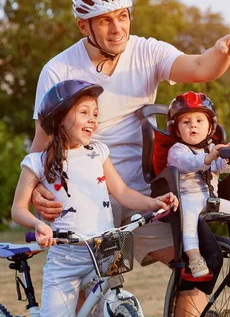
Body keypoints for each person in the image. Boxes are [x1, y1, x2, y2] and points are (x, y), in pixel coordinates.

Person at [29, 0, 230, 315]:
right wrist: (34, 191)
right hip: (87, 197)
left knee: (203, 260)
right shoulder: (59, 70)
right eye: (105, 20)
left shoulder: (147, 51)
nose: (117, 27)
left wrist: (221, 52)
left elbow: (199, 67)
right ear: (84, 26)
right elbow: (41, 144)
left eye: (122, 16)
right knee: (88, 301)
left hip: (141, 192)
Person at [12, 79, 179, 317]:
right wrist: (38, 224)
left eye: (95, 114)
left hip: (106, 250)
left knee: (113, 308)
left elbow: (122, 192)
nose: (93, 119)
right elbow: (18, 209)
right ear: (59, 119)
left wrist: (154, 203)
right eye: (84, 112)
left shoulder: (98, 153)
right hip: (66, 259)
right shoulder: (37, 162)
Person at [166, 91, 230, 278]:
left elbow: (222, 169)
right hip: (189, 199)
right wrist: (208, 157)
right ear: (177, 130)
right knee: (188, 220)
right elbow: (188, 163)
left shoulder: (212, 148)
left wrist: (229, 158)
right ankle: (194, 258)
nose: (193, 125)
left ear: (210, 127)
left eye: (199, 121)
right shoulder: (176, 151)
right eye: (186, 122)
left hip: (211, 198)